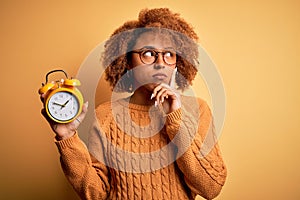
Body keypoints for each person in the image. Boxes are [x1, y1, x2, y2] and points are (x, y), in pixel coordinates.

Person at [41, 8, 227, 200]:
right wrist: (67, 137)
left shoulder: (198, 110)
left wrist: (175, 119)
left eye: (169, 54)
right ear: (127, 61)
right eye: (148, 53)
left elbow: (211, 188)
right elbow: (96, 194)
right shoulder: (106, 116)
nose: (160, 62)